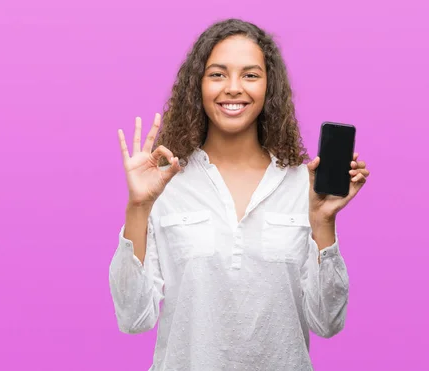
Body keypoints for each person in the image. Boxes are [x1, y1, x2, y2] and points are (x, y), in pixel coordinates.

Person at [108, 18, 370, 371]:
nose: (233, 88)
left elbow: (327, 321)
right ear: (197, 85)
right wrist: (138, 207)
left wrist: (323, 222)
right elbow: (133, 317)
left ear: (269, 87)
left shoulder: (300, 184)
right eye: (217, 74)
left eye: (250, 75)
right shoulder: (165, 182)